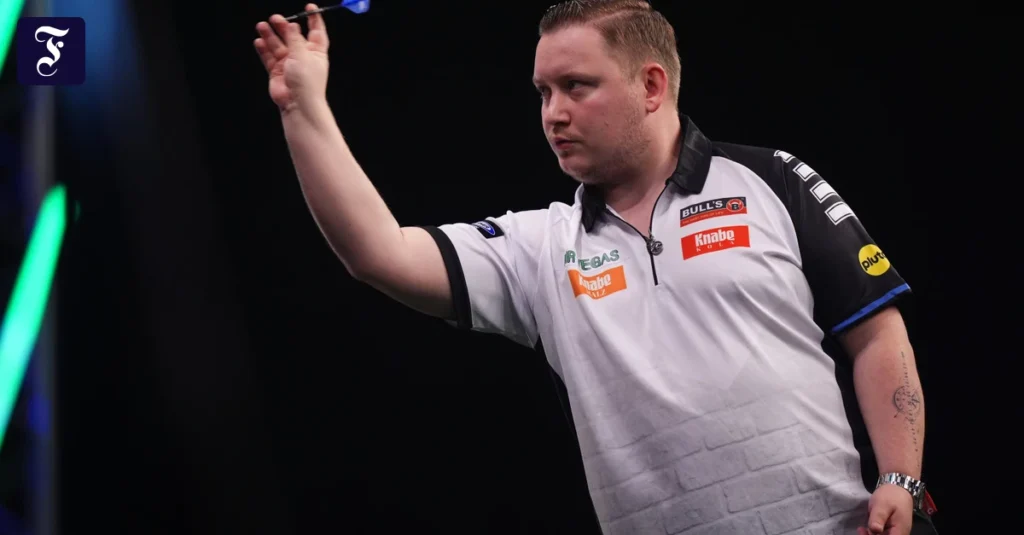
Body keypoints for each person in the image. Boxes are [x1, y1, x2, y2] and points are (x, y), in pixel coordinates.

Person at [253, 2, 936, 534]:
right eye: (543, 92)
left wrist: (900, 479)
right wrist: (303, 107)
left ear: (651, 85)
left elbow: (878, 334)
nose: (553, 114)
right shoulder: (541, 248)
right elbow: (377, 251)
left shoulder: (772, 182)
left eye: (576, 87)